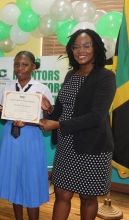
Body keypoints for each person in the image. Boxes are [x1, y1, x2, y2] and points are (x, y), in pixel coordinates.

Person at [39, 29, 116, 220]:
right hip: (67, 145)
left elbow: (96, 116)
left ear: (96, 48)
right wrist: (48, 111)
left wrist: (57, 125)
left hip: (92, 146)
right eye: (76, 47)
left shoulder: (105, 77)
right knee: (61, 194)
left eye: (86, 45)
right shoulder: (71, 75)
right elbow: (67, 108)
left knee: (88, 197)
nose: (81, 50)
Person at [0, 51, 54, 220]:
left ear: (33, 67)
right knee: (15, 182)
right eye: (17, 64)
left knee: (31, 182)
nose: (20, 68)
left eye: (25, 64)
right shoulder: (9, 88)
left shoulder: (41, 89)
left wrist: (47, 109)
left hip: (31, 139)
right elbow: (5, 118)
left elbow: (48, 121)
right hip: (11, 138)